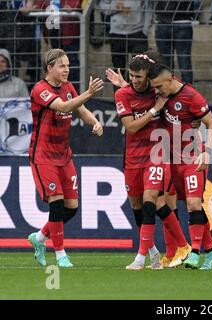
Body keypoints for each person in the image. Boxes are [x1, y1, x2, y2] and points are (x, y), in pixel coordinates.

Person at [110, 53, 191, 270]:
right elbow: (131, 127)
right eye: (132, 75)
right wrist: (155, 109)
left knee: (150, 200)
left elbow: (177, 88)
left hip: (157, 153)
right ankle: (167, 249)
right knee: (139, 206)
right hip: (132, 156)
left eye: (139, 76)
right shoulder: (122, 94)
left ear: (148, 76)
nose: (135, 80)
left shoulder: (158, 90)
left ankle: (140, 256)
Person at [27, 48, 104, 268]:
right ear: (49, 67)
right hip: (43, 156)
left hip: (64, 156)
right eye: (62, 66)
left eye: (68, 65)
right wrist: (88, 93)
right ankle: (60, 254)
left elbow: (80, 109)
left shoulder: (69, 87)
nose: (66, 69)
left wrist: (95, 122)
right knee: (57, 203)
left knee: (71, 207)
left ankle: (40, 238)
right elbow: (63, 106)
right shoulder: (40, 89)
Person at [147, 62, 212, 270]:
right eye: (155, 88)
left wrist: (207, 151)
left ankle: (195, 253)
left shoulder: (191, 96)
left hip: (192, 159)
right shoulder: (160, 97)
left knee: (193, 204)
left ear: (171, 80)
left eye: (160, 87)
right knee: (178, 205)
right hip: (170, 162)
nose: (157, 92)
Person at [99, 0, 152, 88]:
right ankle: (120, 99)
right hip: (116, 33)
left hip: (138, 32)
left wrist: (145, 31)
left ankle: (139, 99)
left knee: (140, 69)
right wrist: (116, 6)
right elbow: (102, 7)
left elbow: (149, 9)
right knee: (119, 70)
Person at [154, 0, 195, 84]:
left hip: (164, 19)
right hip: (183, 19)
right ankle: (188, 93)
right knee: (184, 60)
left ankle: (167, 91)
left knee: (165, 62)